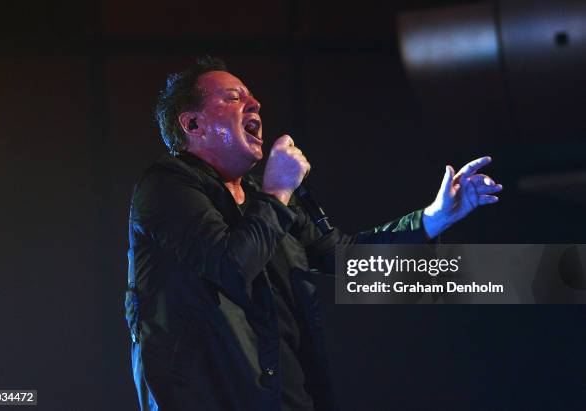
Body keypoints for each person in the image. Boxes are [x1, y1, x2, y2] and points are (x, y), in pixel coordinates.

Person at [125, 56, 502, 411]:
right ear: (192, 124)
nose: (255, 103)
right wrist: (277, 194)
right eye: (235, 97)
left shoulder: (265, 198)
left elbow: (346, 260)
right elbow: (231, 266)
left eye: (252, 96)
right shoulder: (166, 188)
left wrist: (433, 219)